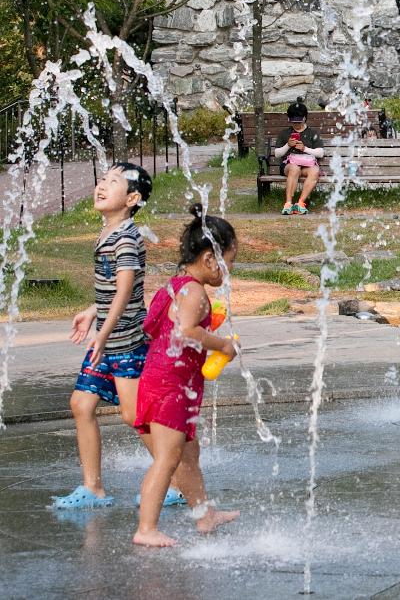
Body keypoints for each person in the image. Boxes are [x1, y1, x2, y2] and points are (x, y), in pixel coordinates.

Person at [54, 163, 173, 510]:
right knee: (81, 404)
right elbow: (119, 290)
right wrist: (94, 310)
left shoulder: (125, 238)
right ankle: (93, 488)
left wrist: (102, 333)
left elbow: (124, 292)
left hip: (126, 341)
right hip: (110, 337)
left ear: (132, 198)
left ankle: (174, 481)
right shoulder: (110, 233)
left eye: (114, 182)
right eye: (102, 179)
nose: (102, 186)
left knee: (134, 416)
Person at [132, 204, 240, 546]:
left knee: (189, 454)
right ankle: (145, 529)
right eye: (229, 260)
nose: (230, 269)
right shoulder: (194, 292)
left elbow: (153, 326)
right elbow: (186, 332)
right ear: (210, 259)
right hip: (170, 386)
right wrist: (221, 344)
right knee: (167, 458)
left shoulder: (175, 286)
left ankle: (204, 514)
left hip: (167, 380)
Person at [272, 99, 325, 216]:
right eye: (293, 121)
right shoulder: (285, 133)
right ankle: (288, 204)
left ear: (305, 118)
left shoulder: (312, 133)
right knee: (294, 168)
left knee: (315, 171)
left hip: (307, 166)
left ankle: (300, 203)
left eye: (299, 121)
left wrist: (304, 149)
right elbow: (277, 154)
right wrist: (288, 145)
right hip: (289, 166)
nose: (296, 123)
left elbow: (320, 153)